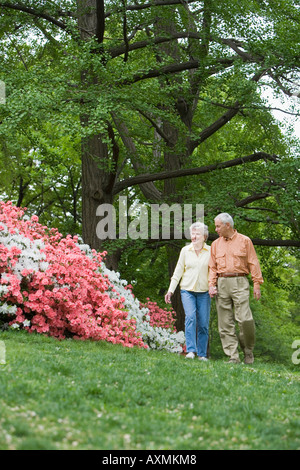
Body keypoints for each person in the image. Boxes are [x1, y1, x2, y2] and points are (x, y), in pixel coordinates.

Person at [208, 213, 263, 364]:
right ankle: (233, 356)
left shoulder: (245, 241)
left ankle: (248, 351)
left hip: (240, 281)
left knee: (245, 319)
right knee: (224, 322)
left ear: (228, 225)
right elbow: (212, 267)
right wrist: (211, 284)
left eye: (218, 226)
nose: (216, 229)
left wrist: (257, 284)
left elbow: (253, 262)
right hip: (222, 282)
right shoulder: (215, 244)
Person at [165, 222, 211, 360]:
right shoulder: (185, 250)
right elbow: (178, 271)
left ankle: (202, 354)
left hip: (204, 292)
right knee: (190, 317)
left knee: (203, 323)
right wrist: (170, 291)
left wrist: (214, 286)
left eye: (197, 234)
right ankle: (191, 350)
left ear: (204, 236)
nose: (194, 236)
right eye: (192, 233)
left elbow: (214, 271)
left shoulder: (211, 251)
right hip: (187, 290)